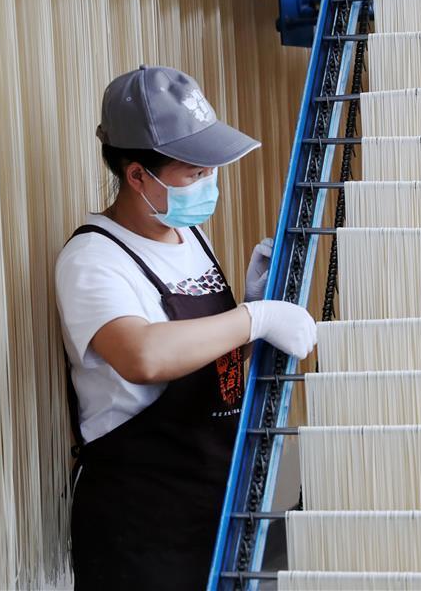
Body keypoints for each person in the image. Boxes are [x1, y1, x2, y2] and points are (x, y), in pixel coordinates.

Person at [55, 64, 317, 590]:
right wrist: (252, 319)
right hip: (140, 525)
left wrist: (249, 315)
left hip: (210, 501)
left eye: (210, 170)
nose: (208, 184)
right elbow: (144, 356)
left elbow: (198, 362)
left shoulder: (188, 235)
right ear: (137, 176)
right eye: (193, 173)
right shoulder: (93, 260)